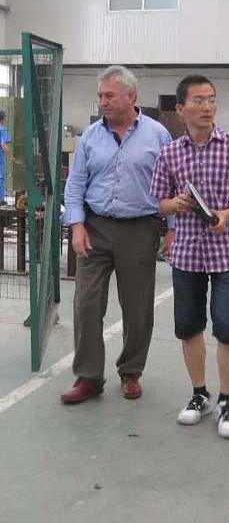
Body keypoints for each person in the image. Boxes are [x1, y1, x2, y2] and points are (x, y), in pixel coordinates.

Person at [150, 75, 229, 440]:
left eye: (211, 99)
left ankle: (227, 401)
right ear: (181, 108)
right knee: (189, 327)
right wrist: (176, 204)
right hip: (186, 254)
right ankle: (200, 394)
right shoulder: (169, 153)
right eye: (198, 100)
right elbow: (159, 202)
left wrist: (226, 215)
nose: (206, 107)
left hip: (226, 253)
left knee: (228, 329)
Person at [60, 65, 174, 404]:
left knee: (137, 307)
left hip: (140, 228)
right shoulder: (90, 137)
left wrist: (172, 229)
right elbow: (75, 185)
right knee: (86, 303)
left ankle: (131, 372)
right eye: (100, 96)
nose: (103, 102)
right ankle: (89, 377)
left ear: (131, 96)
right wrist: (76, 225)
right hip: (95, 227)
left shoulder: (157, 135)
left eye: (109, 95)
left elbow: (172, 186)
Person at [0, 110, 14, 205]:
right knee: (1, 178)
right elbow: (4, 145)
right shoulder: (3, 130)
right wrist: (11, 156)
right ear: (3, 118)